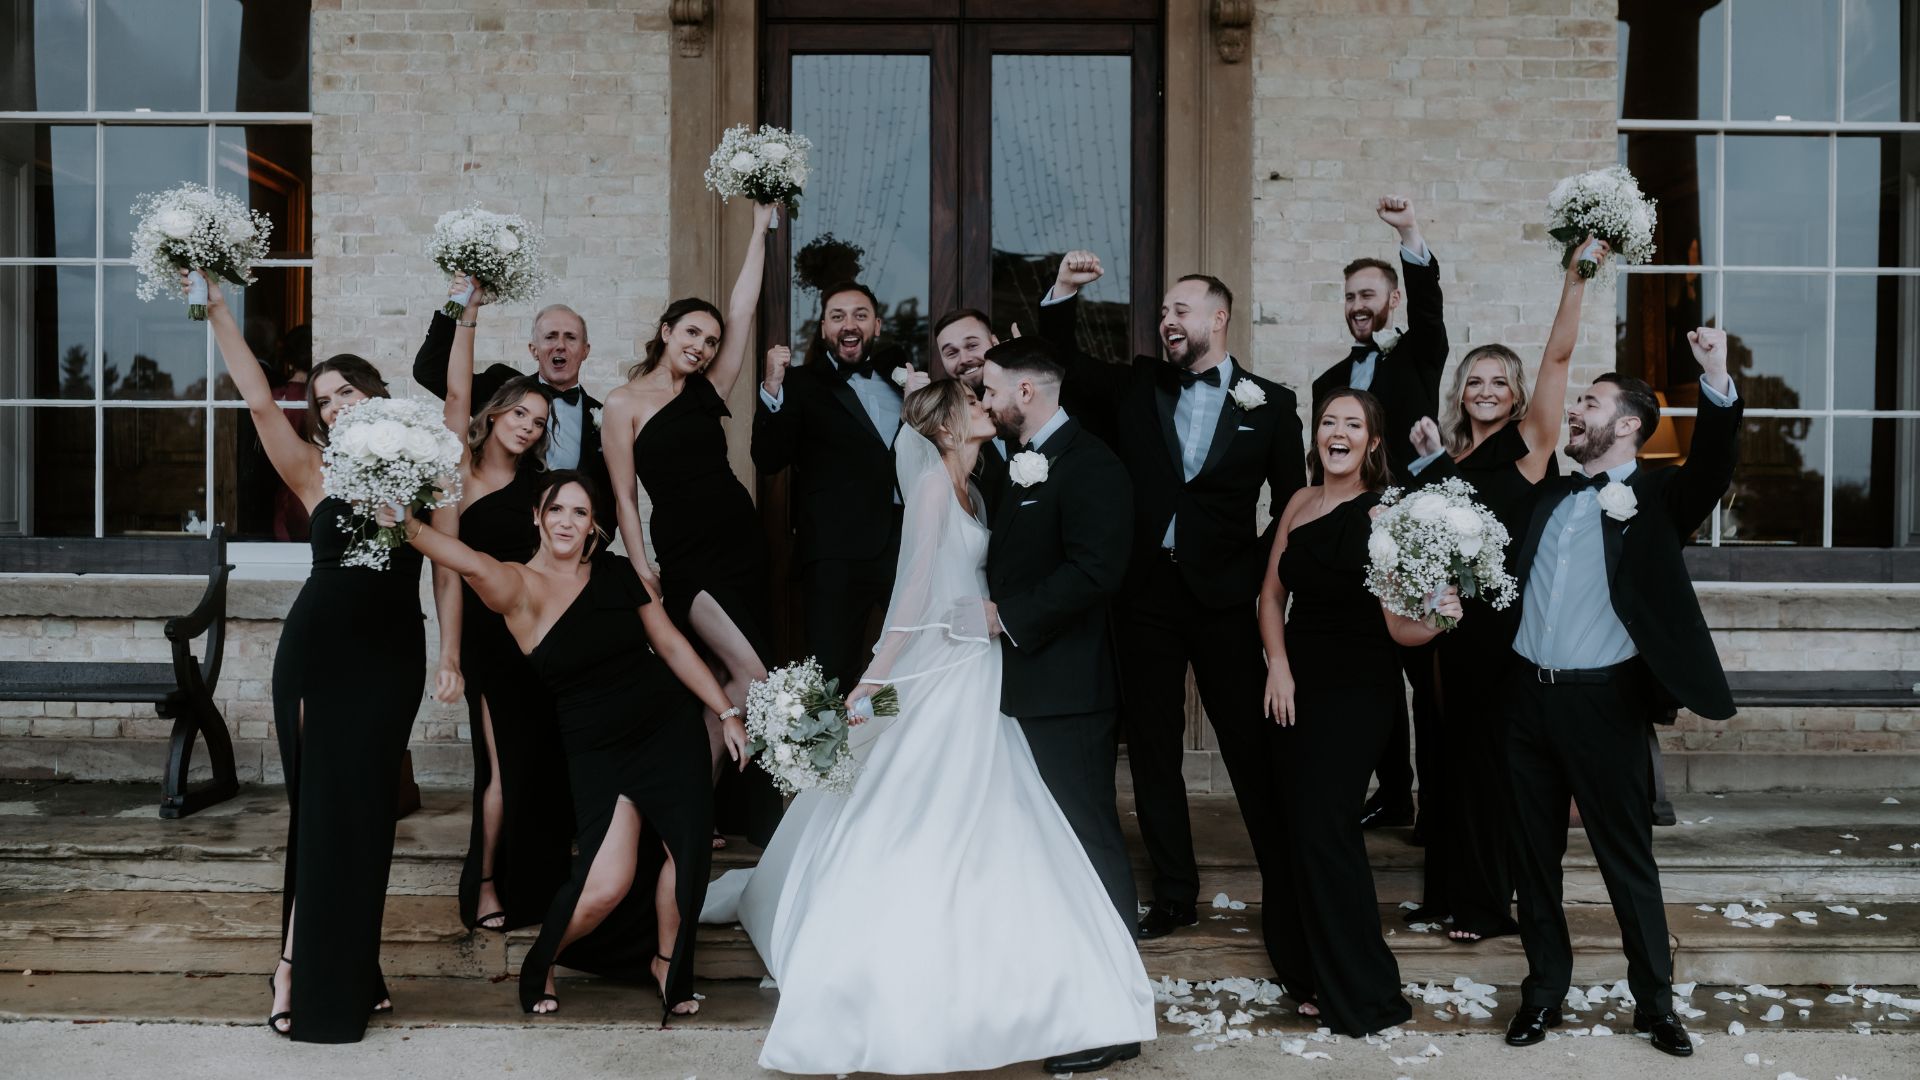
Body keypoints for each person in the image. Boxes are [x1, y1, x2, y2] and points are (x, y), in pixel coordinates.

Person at [699, 380, 1156, 1075]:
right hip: (939, 662)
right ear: (945, 428)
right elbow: (912, 592)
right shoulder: (937, 492)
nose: (986, 409)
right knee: (915, 785)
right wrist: (873, 681)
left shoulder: (975, 487)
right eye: (973, 406)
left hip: (978, 660)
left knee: (987, 792)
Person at [388, 472, 748, 1021]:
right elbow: (463, 560)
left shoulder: (617, 572)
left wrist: (725, 712)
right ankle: (543, 961)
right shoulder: (517, 586)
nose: (567, 522)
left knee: (688, 856)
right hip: (598, 747)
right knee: (607, 882)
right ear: (538, 515)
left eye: (580, 513)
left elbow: (671, 645)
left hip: (668, 728)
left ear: (592, 526)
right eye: (558, 510)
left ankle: (668, 965)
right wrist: (407, 523)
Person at [1036, 252, 1306, 942]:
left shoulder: (1272, 405)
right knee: (1154, 749)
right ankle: (1175, 893)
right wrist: (1064, 291)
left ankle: (1288, 881)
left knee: (1249, 744)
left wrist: (1257, 571)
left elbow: (1293, 503)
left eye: (1178, 311)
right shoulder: (1136, 387)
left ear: (1218, 318)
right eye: (1161, 313)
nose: (1166, 322)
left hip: (1225, 601)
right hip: (1144, 598)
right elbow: (1059, 356)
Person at [1496, 327, 1741, 1059]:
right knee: (1531, 862)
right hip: (1523, 700)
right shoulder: (1548, 494)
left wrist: (1716, 377)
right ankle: (1542, 995)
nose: (1576, 409)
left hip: (1604, 704)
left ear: (1628, 424)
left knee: (1625, 859)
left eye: (1590, 402)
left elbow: (1713, 465)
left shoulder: (1661, 496)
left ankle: (1655, 1004)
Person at [195, 270, 418, 1043]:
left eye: (345, 391)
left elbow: (458, 408)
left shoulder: (418, 471)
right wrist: (220, 307)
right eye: (323, 399)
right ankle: (296, 967)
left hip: (394, 658)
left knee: (369, 817)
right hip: (319, 654)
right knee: (323, 817)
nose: (334, 406)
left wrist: (468, 300)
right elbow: (260, 400)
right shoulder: (312, 470)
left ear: (373, 394)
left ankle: (355, 965)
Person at [1401, 240, 1606, 942]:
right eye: (1474, 380)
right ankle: (1445, 895)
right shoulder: (1447, 461)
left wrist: (1575, 281)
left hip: (1500, 634)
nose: (1485, 390)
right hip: (1441, 638)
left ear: (1516, 394)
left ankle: (1486, 906)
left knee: (1488, 768)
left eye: (1498, 381)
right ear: (1460, 391)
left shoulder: (1527, 449)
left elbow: (1556, 361)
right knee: (1445, 761)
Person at [1257, 388, 1460, 1038]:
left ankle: (1364, 991)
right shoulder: (1297, 502)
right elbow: (1269, 596)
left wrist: (1439, 618)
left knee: (1327, 831)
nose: (1335, 432)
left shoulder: (1385, 515)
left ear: (1373, 442)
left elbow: (1399, 628)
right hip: (1293, 686)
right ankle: (1308, 974)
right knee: (1291, 831)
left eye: (1351, 424)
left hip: (1357, 690)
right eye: (1327, 423)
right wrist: (1279, 667)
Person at [980, 338, 1145, 1075]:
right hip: (1023, 688)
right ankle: (1064, 995)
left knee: (1088, 842)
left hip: (1070, 691)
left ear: (1028, 392)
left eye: (991, 388)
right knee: (1046, 847)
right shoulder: (1020, 463)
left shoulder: (1094, 464)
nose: (983, 401)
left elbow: (1097, 570)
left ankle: (1116, 1015)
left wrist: (1005, 616)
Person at [602, 202, 780, 849]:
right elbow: (622, 492)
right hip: (686, 556)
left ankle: (691, 815)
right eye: (692, 334)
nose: (704, 346)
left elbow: (742, 309)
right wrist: (641, 562)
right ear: (666, 329)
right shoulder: (623, 404)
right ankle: (679, 810)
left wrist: (758, 230)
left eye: (709, 340)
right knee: (752, 679)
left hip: (740, 542)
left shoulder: (708, 391)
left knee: (725, 690)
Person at [428, 276, 574, 935]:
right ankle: (485, 882)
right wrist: (467, 311)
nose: (528, 426)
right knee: (500, 771)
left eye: (540, 422)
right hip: (488, 645)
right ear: (497, 412)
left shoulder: (545, 490)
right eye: (520, 413)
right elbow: (447, 574)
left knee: (538, 767)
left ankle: (537, 891)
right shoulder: (454, 471)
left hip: (540, 643)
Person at [1310, 196, 1449, 836]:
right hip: (1349, 538)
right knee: (1372, 673)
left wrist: (1409, 235)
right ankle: (1393, 793)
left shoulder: (1418, 353)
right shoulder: (1329, 382)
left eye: (1367, 294)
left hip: (1412, 532)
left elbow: (1429, 305)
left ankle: (1439, 804)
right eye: (1349, 297)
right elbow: (1322, 465)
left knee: (1427, 674)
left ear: (1390, 300)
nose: (1357, 305)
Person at [753, 281, 908, 691]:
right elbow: (768, 458)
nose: (848, 323)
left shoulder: (902, 381)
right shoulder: (800, 384)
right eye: (837, 316)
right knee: (831, 673)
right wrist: (772, 387)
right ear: (823, 329)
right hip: (835, 553)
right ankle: (829, 755)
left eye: (859, 315)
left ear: (876, 325)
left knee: (914, 661)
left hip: (907, 545)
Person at [412, 284, 609, 505]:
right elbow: (430, 372)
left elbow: (610, 495)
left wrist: (589, 539)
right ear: (534, 349)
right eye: (551, 337)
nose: (560, 345)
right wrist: (457, 304)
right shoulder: (504, 388)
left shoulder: (606, 416)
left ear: (585, 350)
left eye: (571, 337)